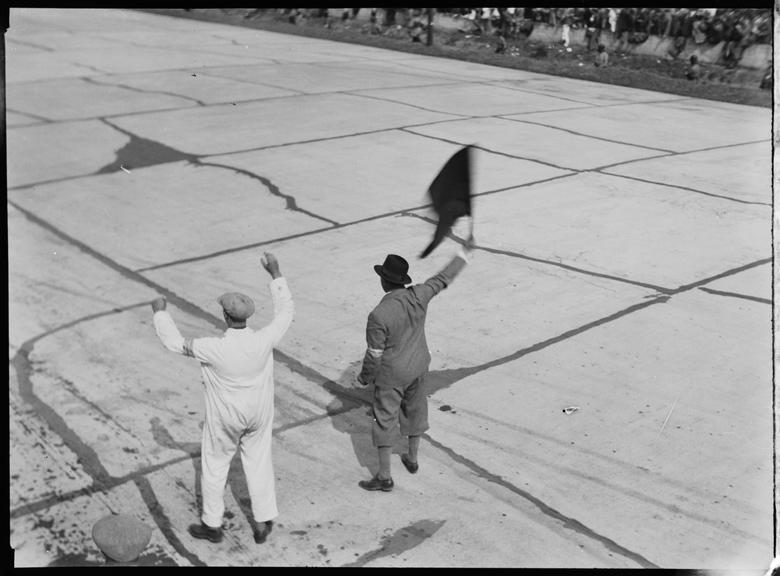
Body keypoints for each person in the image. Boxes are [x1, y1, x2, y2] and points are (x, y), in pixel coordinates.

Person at [151, 252, 294, 544]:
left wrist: (160, 312)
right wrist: (275, 272)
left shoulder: (212, 347)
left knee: (215, 465)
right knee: (258, 461)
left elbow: (174, 343)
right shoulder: (263, 338)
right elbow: (286, 312)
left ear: (226, 317)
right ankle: (263, 520)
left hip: (226, 417)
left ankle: (212, 525)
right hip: (258, 412)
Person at [356, 238, 475, 491]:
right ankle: (412, 458)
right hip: (419, 365)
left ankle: (385, 476)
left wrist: (365, 377)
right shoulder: (420, 294)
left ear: (383, 281)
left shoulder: (379, 315)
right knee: (416, 410)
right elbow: (443, 278)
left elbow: (375, 355)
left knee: (385, 419)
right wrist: (464, 253)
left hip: (392, 374)